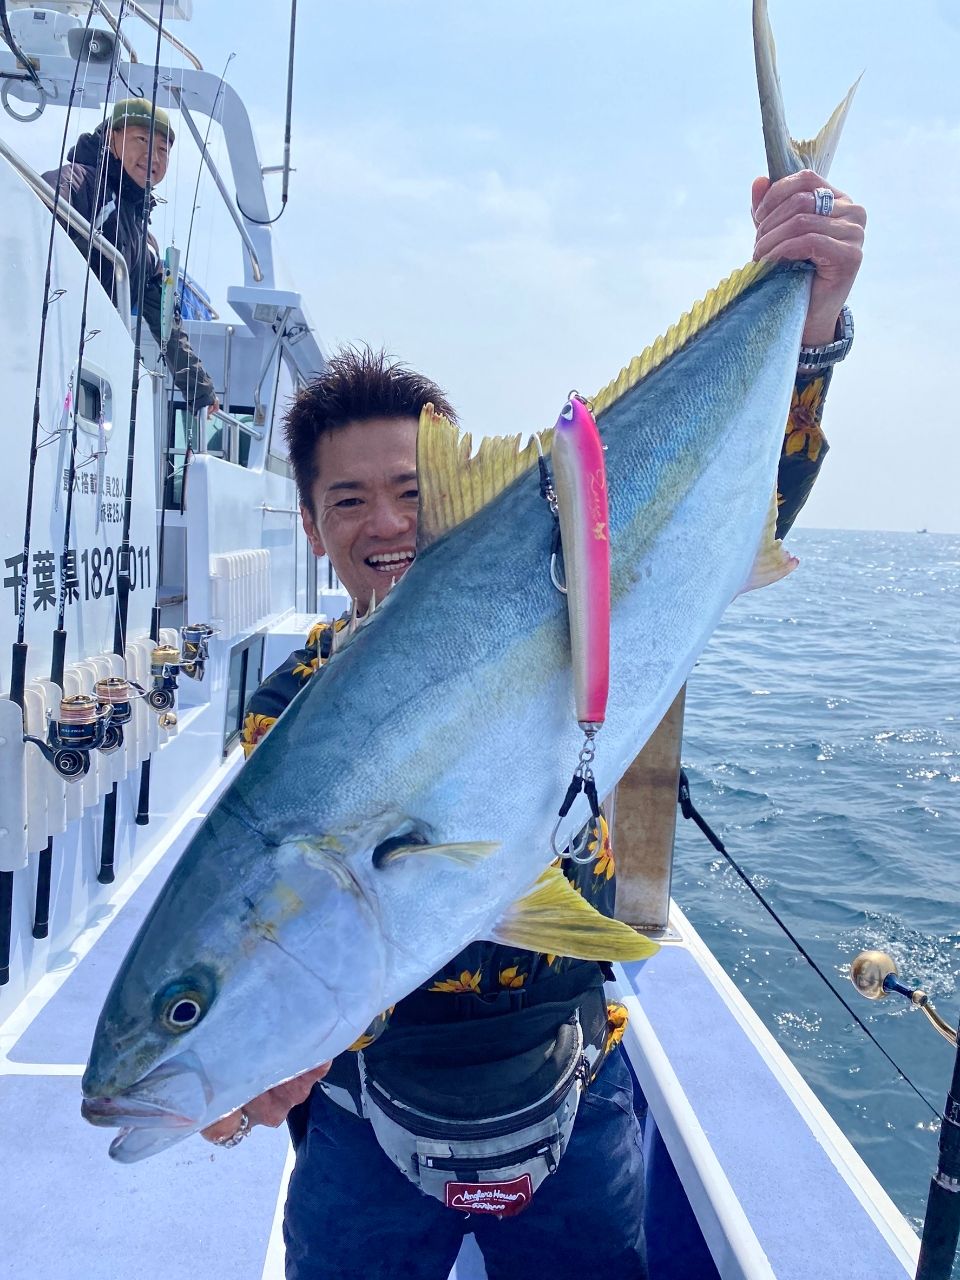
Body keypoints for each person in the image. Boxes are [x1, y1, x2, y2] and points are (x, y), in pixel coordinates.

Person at [202, 167, 867, 1280]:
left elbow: (729, 514)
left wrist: (811, 323)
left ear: (468, 498)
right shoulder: (288, 707)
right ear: (313, 529)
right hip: (371, 1119)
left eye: (414, 490)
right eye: (348, 500)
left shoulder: (573, 606)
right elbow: (299, 933)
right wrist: (251, 1067)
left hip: (573, 1081)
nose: (386, 524)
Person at [42, 98, 219, 416]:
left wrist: (200, 390)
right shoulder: (77, 183)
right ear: (111, 137)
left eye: (164, 150)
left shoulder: (148, 244)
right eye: (142, 140)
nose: (153, 157)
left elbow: (166, 325)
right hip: (45, 350)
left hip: (90, 371)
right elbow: (33, 225)